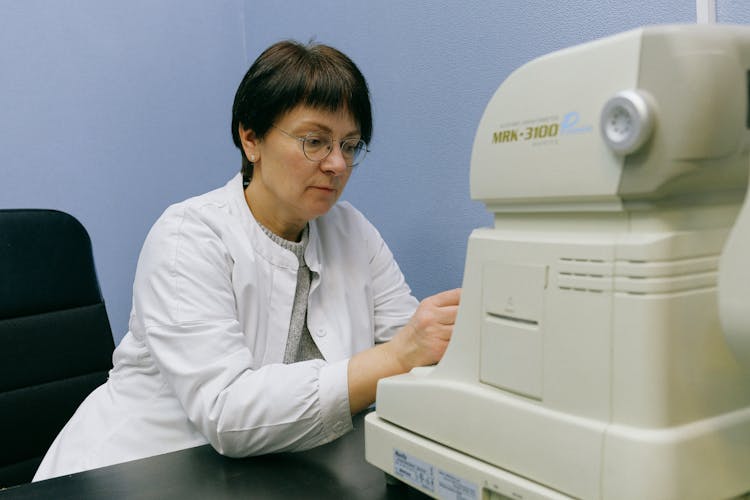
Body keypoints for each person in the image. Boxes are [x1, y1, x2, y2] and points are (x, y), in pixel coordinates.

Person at [33, 40, 460, 480]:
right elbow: (228, 414)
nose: (337, 164)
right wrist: (398, 356)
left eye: (350, 145)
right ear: (251, 137)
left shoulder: (352, 232)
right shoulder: (188, 235)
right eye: (315, 141)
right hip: (134, 474)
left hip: (267, 475)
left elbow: (416, 354)